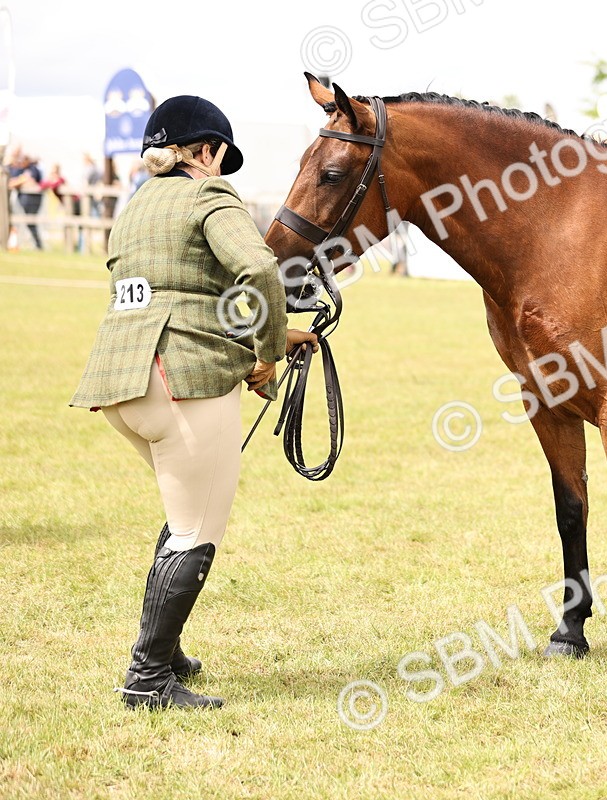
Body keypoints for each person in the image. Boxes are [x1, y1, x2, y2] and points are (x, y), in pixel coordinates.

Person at [70, 95, 317, 710]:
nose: (221, 168)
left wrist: (279, 331)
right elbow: (259, 271)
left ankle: (169, 649)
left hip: (120, 383)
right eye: (219, 157)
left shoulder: (135, 206)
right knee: (196, 529)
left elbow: (177, 293)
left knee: (183, 512)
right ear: (203, 152)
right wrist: (265, 354)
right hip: (181, 379)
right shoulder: (210, 197)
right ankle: (147, 678)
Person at [10, 153, 45, 250]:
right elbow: (13, 181)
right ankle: (14, 244)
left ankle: (38, 245)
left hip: (32, 200)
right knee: (17, 222)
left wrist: (20, 181)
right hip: (21, 199)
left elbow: (31, 181)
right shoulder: (19, 169)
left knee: (31, 222)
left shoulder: (33, 169)